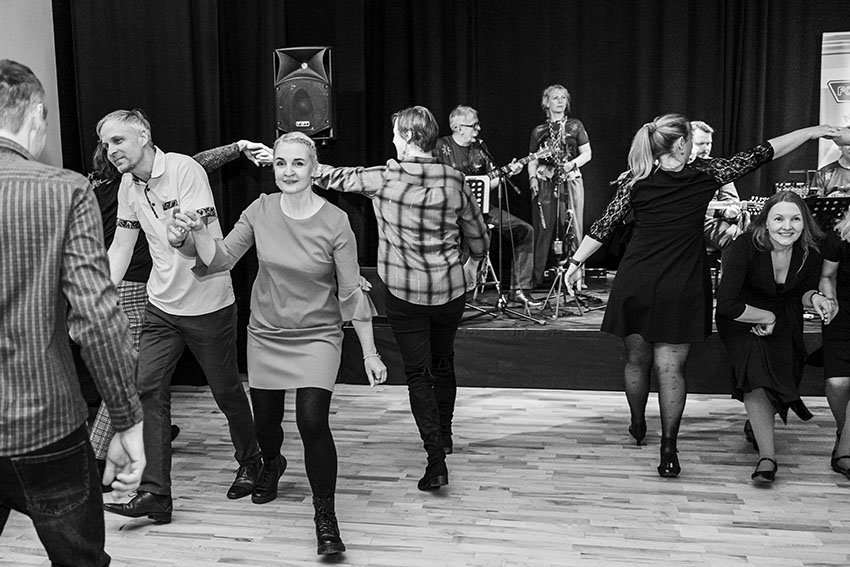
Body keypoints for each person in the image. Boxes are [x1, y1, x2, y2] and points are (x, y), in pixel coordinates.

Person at [564, 113, 838, 478]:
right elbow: (764, 152)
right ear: (681, 144)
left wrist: (575, 262)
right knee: (670, 367)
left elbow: (603, 225)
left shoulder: (636, 179)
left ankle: (637, 423)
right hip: (682, 282)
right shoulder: (705, 174)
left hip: (637, 279)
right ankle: (668, 449)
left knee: (636, 360)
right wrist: (814, 132)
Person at [168, 131, 386, 555]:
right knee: (265, 425)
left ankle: (325, 517)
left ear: (314, 168)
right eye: (281, 163)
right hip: (267, 332)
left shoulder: (335, 222)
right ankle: (272, 462)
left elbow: (350, 292)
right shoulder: (261, 209)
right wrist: (194, 235)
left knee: (311, 421)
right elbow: (222, 259)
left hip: (318, 334)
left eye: (298, 163)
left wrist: (370, 352)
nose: (288, 171)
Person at [0, 59, 145, 566]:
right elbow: (97, 318)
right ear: (36, 114)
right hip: (44, 422)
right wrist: (127, 421)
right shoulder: (62, 189)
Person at [313, 106, 490, 491]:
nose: (393, 140)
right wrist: (474, 263)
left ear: (408, 138)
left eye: (396, 134)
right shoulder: (455, 180)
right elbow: (478, 235)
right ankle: (445, 435)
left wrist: (288, 160)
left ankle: (435, 461)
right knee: (443, 361)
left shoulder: (385, 177)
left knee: (418, 374)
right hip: (449, 291)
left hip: (405, 296)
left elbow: (333, 176)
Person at [98, 109, 261, 524]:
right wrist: (97, 296)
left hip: (208, 307)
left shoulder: (184, 170)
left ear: (143, 134)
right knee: (147, 388)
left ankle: (253, 460)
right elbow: (121, 248)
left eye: (117, 140)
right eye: (105, 144)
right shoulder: (129, 186)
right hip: (161, 307)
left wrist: (183, 237)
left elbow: (203, 243)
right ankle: (156, 493)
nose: (110, 150)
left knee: (226, 392)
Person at [716, 191, 834, 483]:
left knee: (785, 370)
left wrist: (816, 299)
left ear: (804, 223)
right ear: (765, 222)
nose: (787, 226)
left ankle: (756, 424)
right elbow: (727, 304)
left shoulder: (809, 251)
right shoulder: (745, 245)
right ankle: (767, 459)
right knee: (756, 372)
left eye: (795, 219)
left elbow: (802, 292)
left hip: (785, 315)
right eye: (779, 218)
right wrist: (765, 317)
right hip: (742, 316)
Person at [435, 105, 540, 307]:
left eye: (478, 125)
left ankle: (519, 290)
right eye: (473, 125)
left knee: (525, 231)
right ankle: (459, 294)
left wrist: (508, 172)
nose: (478, 129)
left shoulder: (480, 149)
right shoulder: (440, 146)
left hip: (480, 208)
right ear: (457, 127)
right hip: (449, 212)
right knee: (470, 233)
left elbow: (488, 181)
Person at [527, 85, 592, 287]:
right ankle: (536, 277)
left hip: (570, 179)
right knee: (543, 228)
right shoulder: (539, 131)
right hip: (546, 181)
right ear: (546, 102)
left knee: (574, 227)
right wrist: (532, 178)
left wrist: (572, 164)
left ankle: (576, 277)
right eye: (555, 98)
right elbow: (532, 159)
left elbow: (587, 154)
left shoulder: (575, 126)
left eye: (563, 97)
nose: (560, 101)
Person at [818, 211, 850, 481]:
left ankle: (846, 450)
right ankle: (845, 432)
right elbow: (828, 276)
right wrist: (830, 301)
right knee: (837, 384)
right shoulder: (839, 237)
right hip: (844, 314)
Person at [690, 121, 745, 252]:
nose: (706, 148)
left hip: (708, 223)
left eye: (709, 143)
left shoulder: (718, 168)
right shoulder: (673, 167)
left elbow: (730, 200)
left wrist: (728, 211)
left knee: (737, 238)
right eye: (700, 144)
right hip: (677, 224)